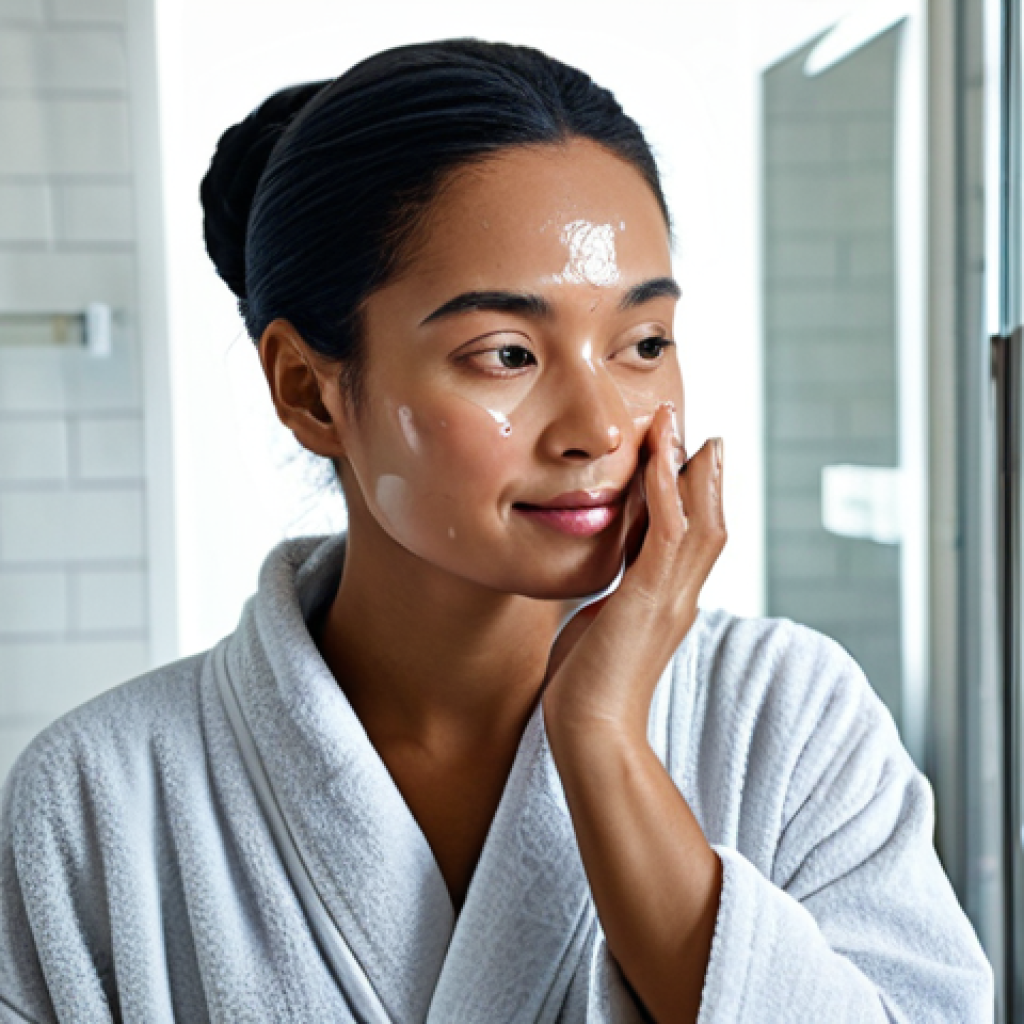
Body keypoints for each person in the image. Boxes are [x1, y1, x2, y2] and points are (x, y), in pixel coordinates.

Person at [0, 38, 993, 1024]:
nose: (601, 426)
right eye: (506, 353)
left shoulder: (788, 721)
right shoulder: (98, 800)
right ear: (308, 389)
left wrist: (603, 743)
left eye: (643, 343)